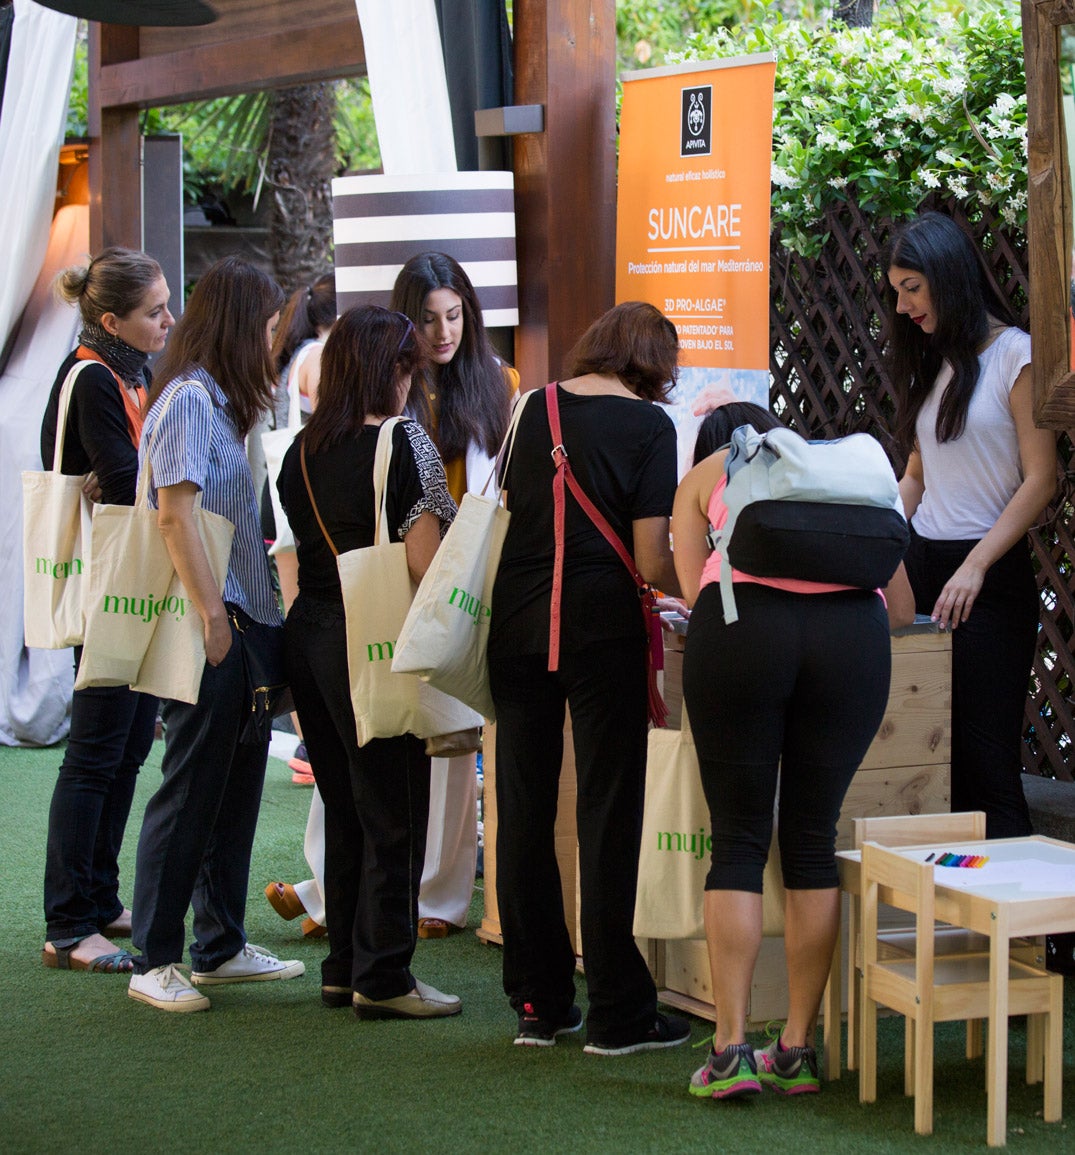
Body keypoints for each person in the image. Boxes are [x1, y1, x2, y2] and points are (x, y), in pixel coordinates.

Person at [671, 400, 895, 1099]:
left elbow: (688, 582)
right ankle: (795, 1049)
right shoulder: (853, 479)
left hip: (743, 631)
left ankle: (730, 1050)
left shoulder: (713, 467)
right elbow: (905, 601)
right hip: (855, 642)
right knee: (809, 840)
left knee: (736, 840)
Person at [488, 300, 687, 1053]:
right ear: (654, 362)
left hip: (515, 622)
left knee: (524, 809)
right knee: (608, 811)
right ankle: (617, 1010)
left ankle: (537, 1003)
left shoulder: (530, 406)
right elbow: (648, 559)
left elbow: (505, 509)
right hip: (599, 626)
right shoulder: (650, 427)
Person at [127, 256, 303, 1013]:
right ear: (239, 326)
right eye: (268, 329)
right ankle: (155, 957)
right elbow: (173, 513)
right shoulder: (191, 402)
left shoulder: (221, 401)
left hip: (244, 619)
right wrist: (210, 620)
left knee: (231, 790)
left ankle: (219, 944)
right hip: (217, 623)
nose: (274, 344)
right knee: (192, 787)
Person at [277, 305, 461, 1018]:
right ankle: (383, 978)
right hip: (376, 636)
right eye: (407, 365)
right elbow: (424, 558)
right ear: (385, 368)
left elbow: (296, 549)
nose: (414, 380)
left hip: (311, 632)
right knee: (394, 809)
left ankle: (342, 966)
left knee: (347, 804)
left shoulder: (300, 448)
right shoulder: (401, 439)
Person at [884, 212, 1057, 839]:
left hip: (986, 577)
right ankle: (953, 924)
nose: (902, 306)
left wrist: (976, 565)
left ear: (948, 277)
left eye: (912, 288)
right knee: (930, 762)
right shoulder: (935, 362)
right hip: (923, 566)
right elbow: (915, 477)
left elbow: (1043, 479)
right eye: (896, 291)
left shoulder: (1017, 354)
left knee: (987, 767)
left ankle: (1020, 934)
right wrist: (879, 536)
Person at [39, 248, 173, 973]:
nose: (167, 319)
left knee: (123, 749)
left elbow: (123, 475)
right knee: (95, 754)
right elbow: (123, 478)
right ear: (112, 319)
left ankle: (95, 895)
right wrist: (130, 475)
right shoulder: (92, 375)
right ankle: (67, 924)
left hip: (125, 579)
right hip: (103, 586)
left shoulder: (128, 371)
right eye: (155, 310)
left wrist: (126, 475)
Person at [389, 251, 516, 938]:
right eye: (430, 318)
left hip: (464, 576)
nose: (443, 331)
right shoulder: (389, 382)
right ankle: (328, 885)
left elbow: (499, 486)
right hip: (397, 566)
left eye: (454, 315)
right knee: (379, 721)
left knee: (453, 735)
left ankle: (438, 896)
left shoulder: (498, 382)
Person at [264, 272, 336, 786]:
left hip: (287, 503)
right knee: (306, 619)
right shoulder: (320, 358)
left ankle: (310, 743)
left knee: (299, 615)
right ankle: (312, 742)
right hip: (310, 503)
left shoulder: (300, 354)